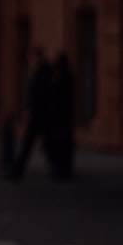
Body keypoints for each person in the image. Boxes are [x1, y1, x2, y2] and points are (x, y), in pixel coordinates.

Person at [9, 48, 54, 181]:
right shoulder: (40, 72)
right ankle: (18, 170)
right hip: (40, 114)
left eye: (31, 57)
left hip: (40, 114)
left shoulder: (42, 73)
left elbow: (39, 95)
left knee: (32, 143)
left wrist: (30, 110)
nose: (29, 61)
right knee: (43, 143)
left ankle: (18, 171)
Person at [48, 52, 75, 180]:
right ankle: (64, 168)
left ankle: (61, 168)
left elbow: (56, 97)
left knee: (61, 144)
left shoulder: (61, 79)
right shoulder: (67, 78)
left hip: (60, 118)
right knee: (64, 144)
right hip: (64, 117)